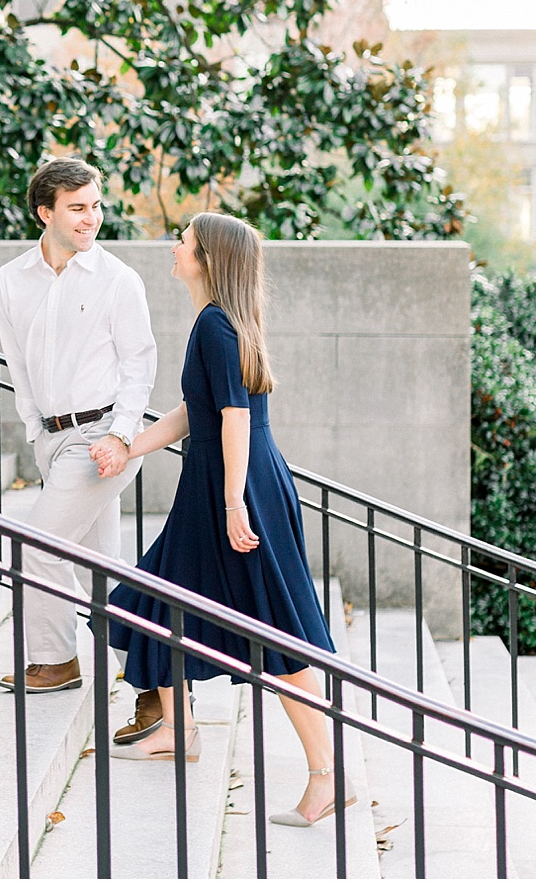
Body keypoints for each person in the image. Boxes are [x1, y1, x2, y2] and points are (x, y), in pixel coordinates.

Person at [102, 211, 352, 829]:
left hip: (235, 488)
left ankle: (327, 775)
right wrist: (129, 445)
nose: (174, 246)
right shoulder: (214, 321)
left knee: (274, 629)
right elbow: (196, 411)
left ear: (208, 256)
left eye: (182, 241)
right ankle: (179, 730)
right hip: (218, 484)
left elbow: (235, 418)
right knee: (150, 599)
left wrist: (235, 500)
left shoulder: (217, 325)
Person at [0, 158, 169, 742]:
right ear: (46, 213)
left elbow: (139, 363)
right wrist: (33, 431)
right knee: (104, 569)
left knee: (36, 547)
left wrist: (121, 436)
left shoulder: (117, 279)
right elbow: (17, 364)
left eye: (96, 204)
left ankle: (59, 659)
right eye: (78, 207)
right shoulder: (12, 279)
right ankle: (152, 690)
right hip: (52, 437)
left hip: (102, 440)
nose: (92, 217)